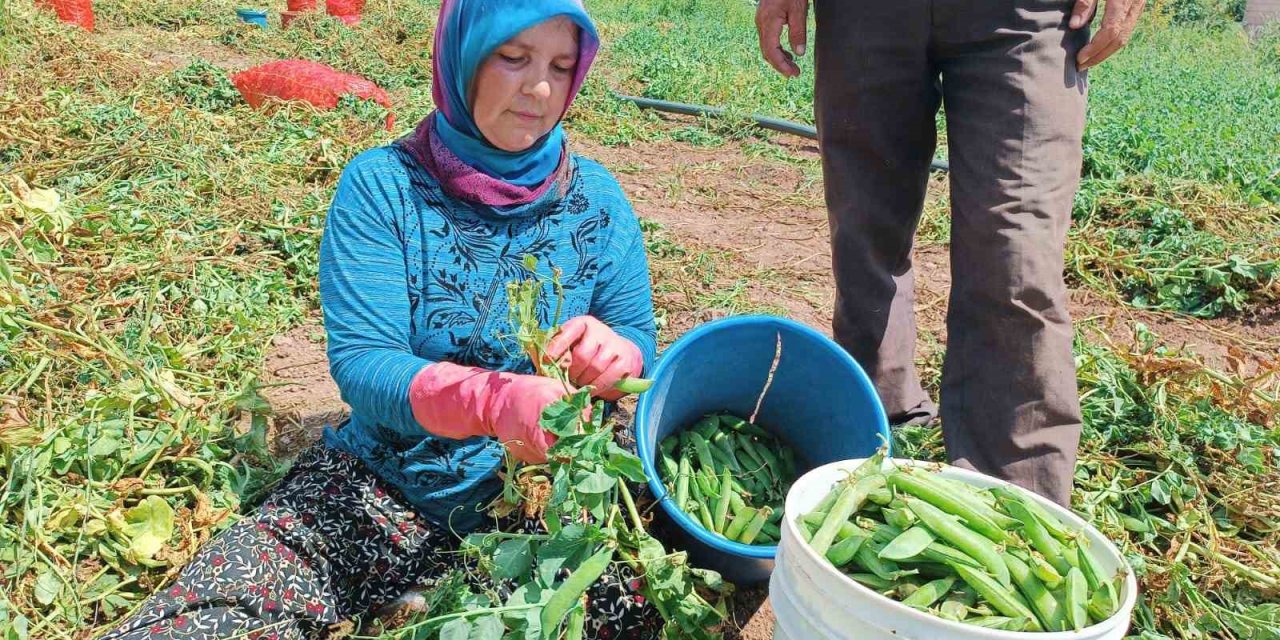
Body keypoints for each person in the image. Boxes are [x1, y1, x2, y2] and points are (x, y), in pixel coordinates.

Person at [101, 0, 662, 637]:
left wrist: (621, 354)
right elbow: (366, 364)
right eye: (512, 58)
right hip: (388, 485)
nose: (539, 88)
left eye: (562, 67)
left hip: (551, 498)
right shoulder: (383, 187)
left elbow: (638, 334)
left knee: (627, 600)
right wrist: (490, 401)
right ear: (464, 57)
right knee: (217, 613)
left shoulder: (595, 198)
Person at [755, 0, 1144, 507]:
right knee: (864, 233)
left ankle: (1009, 505)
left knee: (1015, 256)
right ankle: (876, 437)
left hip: (1024, 17)